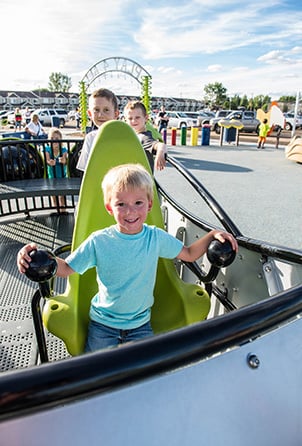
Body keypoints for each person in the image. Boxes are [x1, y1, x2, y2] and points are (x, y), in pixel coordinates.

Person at [17, 163, 238, 352]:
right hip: (103, 324)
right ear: (109, 208)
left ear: (149, 205)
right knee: (96, 375)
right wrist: (35, 257)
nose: (130, 211)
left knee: (144, 375)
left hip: (140, 325)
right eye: (121, 204)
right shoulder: (99, 241)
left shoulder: (155, 238)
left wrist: (211, 236)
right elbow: (67, 268)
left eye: (138, 203)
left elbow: (189, 254)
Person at [76, 88, 120, 172]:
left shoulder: (125, 137)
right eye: (96, 110)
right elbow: (86, 171)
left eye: (106, 110)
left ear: (116, 114)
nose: (100, 115)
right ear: (89, 114)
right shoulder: (90, 138)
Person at [124, 100, 167, 172]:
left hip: (140, 180)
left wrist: (160, 153)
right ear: (125, 120)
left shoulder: (143, 137)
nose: (134, 121)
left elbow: (160, 145)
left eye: (137, 117)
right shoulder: (133, 136)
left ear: (146, 118)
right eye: (130, 118)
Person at [44, 127, 68, 214]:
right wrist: (50, 162)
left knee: (61, 195)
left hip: (61, 175)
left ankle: (63, 210)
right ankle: (56, 210)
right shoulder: (47, 149)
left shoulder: (64, 150)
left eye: (57, 139)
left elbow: (65, 161)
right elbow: (47, 160)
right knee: (54, 194)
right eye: (52, 139)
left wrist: (63, 161)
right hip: (52, 175)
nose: (54, 141)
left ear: (60, 140)